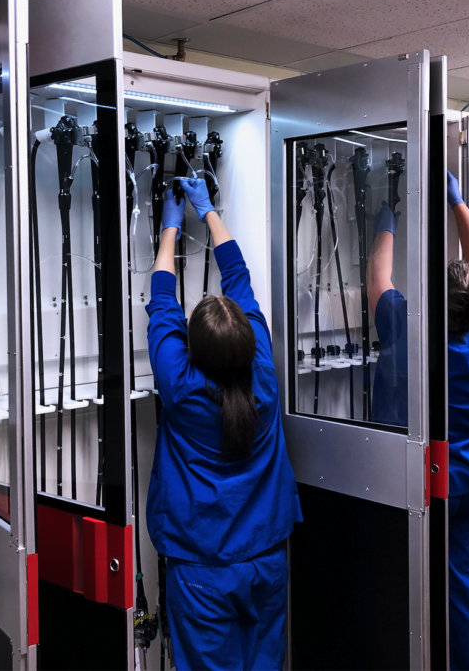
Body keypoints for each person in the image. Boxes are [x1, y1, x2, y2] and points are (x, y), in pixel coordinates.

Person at [145, 177, 302, 671]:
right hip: (266, 558)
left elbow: (162, 304)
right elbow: (239, 279)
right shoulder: (265, 376)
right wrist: (207, 208)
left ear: (194, 349)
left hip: (202, 569)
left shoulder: (181, 386)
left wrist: (170, 228)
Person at [367, 171, 469, 671]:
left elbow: (378, 277)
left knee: (405, 578)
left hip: (423, 479)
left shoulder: (407, 329)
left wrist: (389, 218)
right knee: (467, 585)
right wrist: (456, 202)